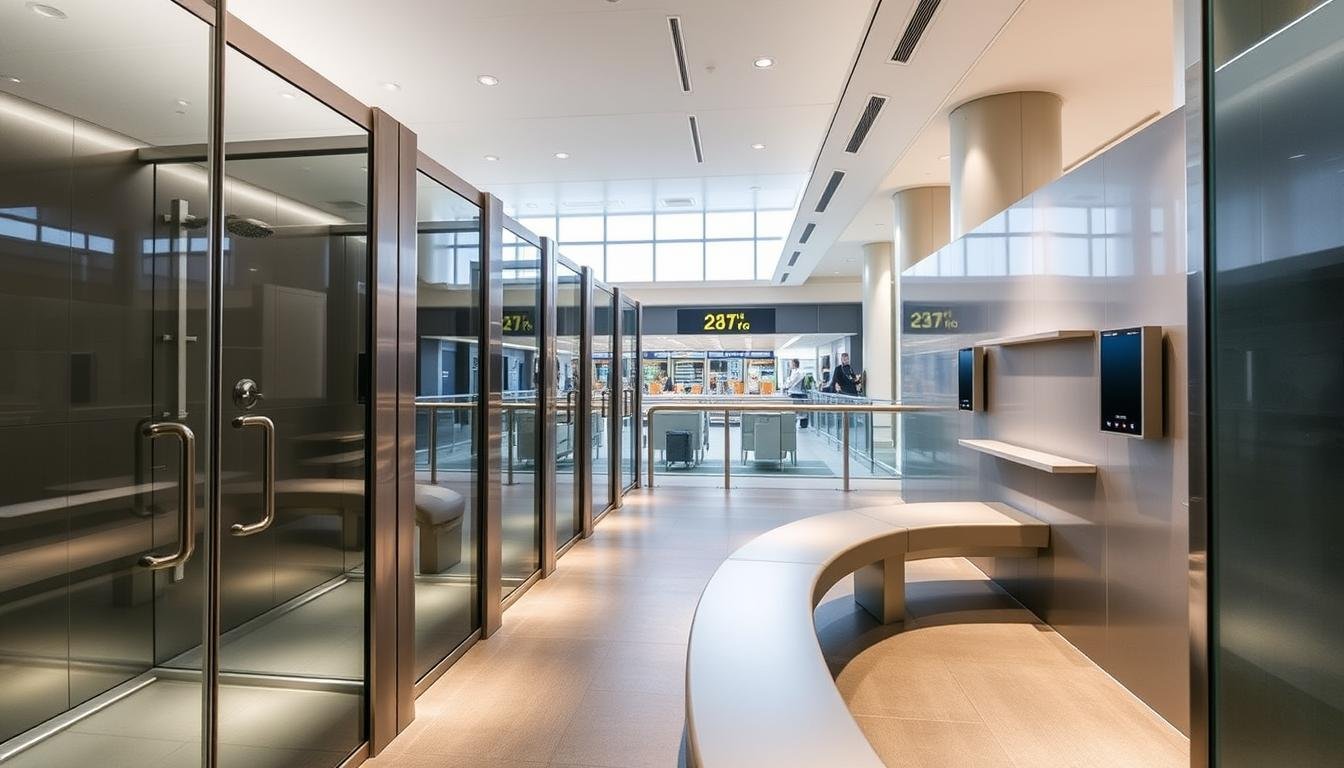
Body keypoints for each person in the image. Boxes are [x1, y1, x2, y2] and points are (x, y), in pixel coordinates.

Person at [783, 358, 809, 428]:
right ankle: (800, 424)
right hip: (795, 392)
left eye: (791, 363)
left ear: (794, 363)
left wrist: (786, 384)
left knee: (798, 410)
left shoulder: (798, 372)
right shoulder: (794, 371)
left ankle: (801, 424)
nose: (790, 365)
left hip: (797, 393)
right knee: (798, 410)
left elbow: (792, 382)